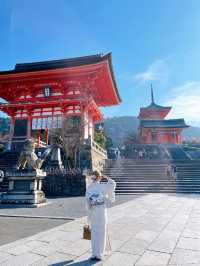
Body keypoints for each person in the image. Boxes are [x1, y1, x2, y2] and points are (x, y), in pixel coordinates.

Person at [85, 170, 116, 261]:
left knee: (95, 232)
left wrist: (91, 203)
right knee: (100, 231)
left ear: (93, 177)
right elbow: (112, 184)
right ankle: (98, 253)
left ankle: (95, 253)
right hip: (100, 210)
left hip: (95, 210)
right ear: (99, 177)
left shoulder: (89, 187)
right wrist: (106, 177)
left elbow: (87, 200)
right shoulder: (101, 186)